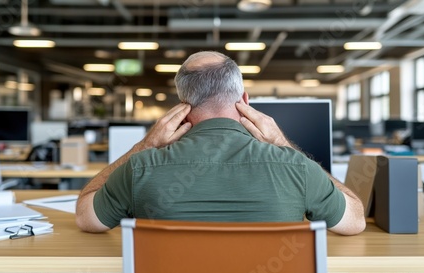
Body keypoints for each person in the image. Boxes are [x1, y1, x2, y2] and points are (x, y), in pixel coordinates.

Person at [75, 51, 366, 235]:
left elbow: (86, 217)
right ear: (245, 100)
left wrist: (145, 146)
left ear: (183, 105)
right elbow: (355, 220)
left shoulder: (140, 168)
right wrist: (283, 144)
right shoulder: (296, 168)